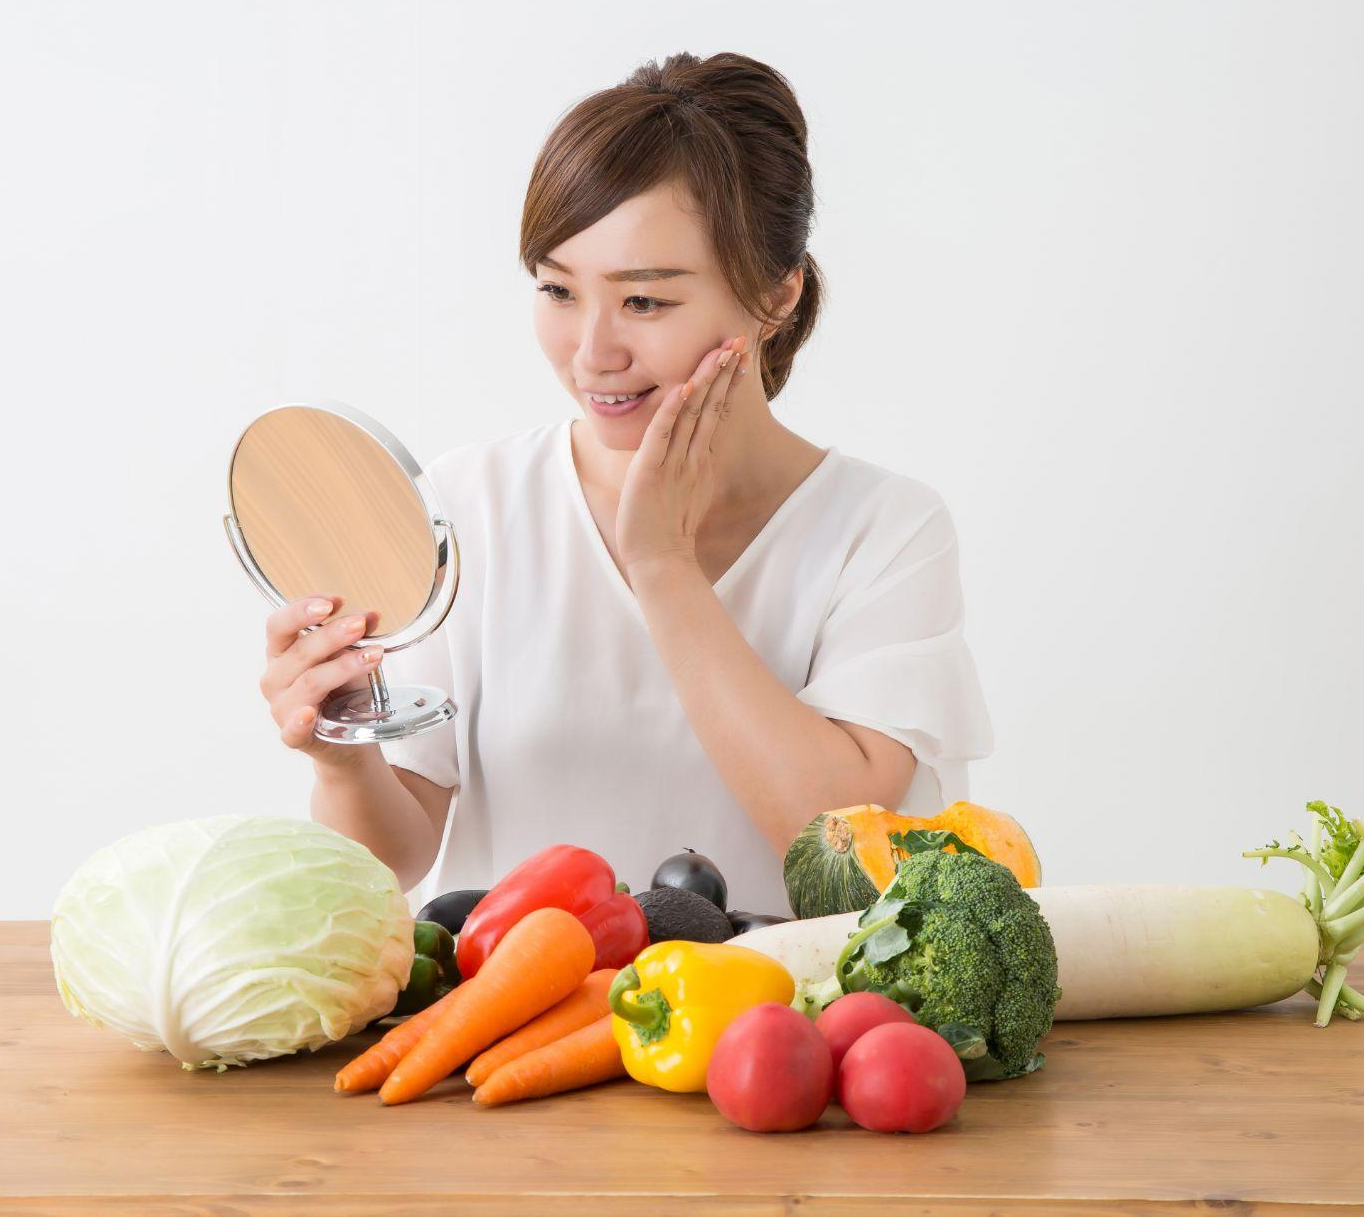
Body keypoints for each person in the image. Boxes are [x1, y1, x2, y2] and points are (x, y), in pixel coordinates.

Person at [257, 51, 994, 917]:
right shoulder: (470, 506)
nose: (592, 352)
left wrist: (663, 565)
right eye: (558, 289)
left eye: (644, 301)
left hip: (779, 1006)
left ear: (777, 293)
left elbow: (839, 848)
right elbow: (395, 852)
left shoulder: (884, 531)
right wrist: (344, 759)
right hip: (521, 1001)